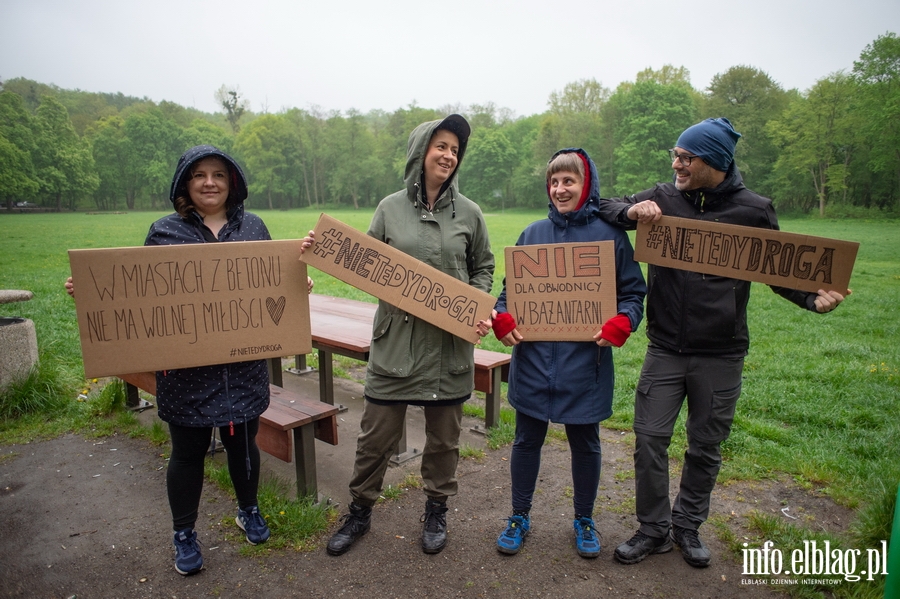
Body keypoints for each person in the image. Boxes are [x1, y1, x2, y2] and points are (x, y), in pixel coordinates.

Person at [597, 118, 847, 568]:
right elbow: (605, 206)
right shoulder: (663, 196)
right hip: (665, 349)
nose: (676, 163)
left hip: (722, 354)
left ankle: (687, 527)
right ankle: (652, 529)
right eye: (675, 154)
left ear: (714, 162)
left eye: (685, 157)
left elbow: (780, 271)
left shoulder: (754, 210)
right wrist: (633, 213)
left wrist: (813, 299)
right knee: (650, 438)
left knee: (704, 446)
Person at [66, 145, 314, 575]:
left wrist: (297, 285)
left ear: (232, 181)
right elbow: (140, 296)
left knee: (244, 444)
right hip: (185, 374)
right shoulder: (164, 231)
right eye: (199, 174)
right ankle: (184, 533)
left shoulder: (253, 226)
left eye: (218, 174)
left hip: (243, 370)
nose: (209, 182)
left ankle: (248, 509)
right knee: (187, 452)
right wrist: (90, 293)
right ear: (185, 183)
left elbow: (272, 283)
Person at [301, 114, 494, 556]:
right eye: (440, 146)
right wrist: (324, 251)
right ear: (420, 151)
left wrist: (475, 305)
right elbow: (362, 262)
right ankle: (360, 511)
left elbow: (483, 265)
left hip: (449, 349)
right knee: (374, 439)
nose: (448, 155)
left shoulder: (470, 213)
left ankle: (436, 510)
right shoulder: (389, 208)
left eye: (454, 149)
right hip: (396, 345)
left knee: (444, 441)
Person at [490, 149, 646, 558]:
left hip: (586, 367)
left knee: (586, 443)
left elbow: (633, 294)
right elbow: (509, 294)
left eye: (569, 181)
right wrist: (503, 318)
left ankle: (584, 519)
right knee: (526, 441)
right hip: (533, 363)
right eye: (554, 182)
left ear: (586, 185)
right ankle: (519, 515)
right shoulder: (532, 234)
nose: (560, 189)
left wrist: (622, 324)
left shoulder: (611, 237)